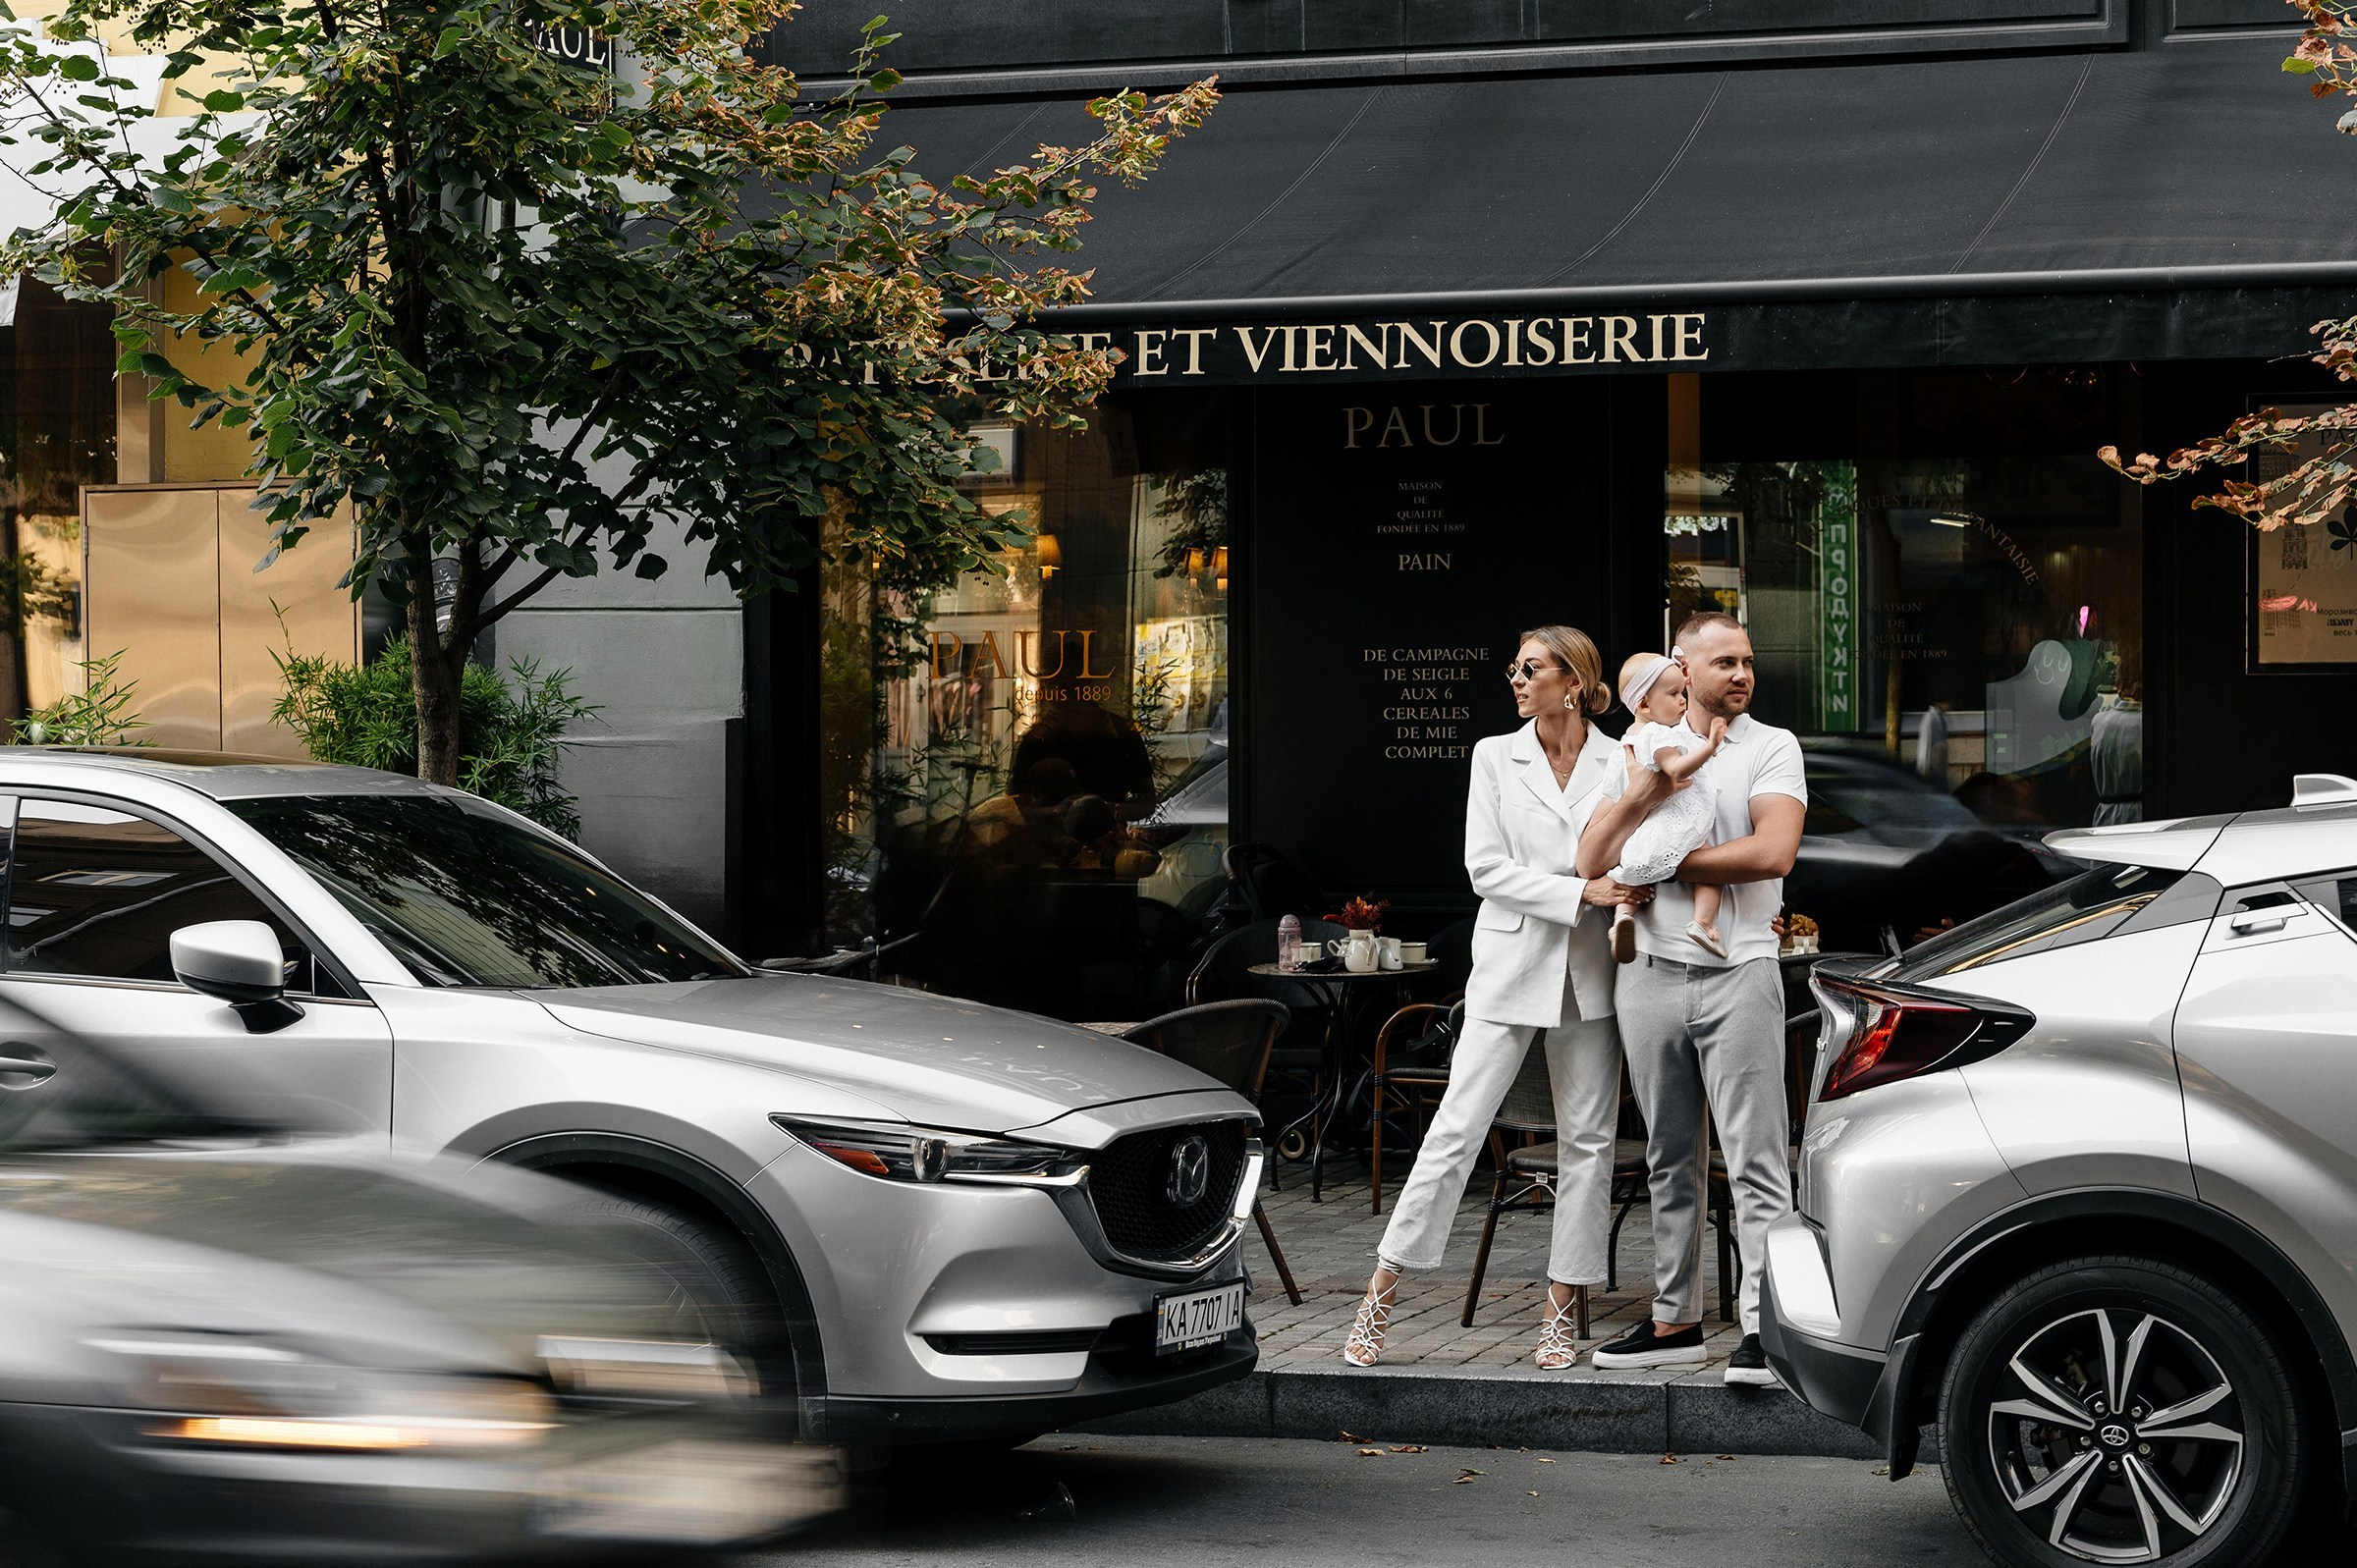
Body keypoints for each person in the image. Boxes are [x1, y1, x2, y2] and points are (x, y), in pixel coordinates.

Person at [1342, 625, 1652, 1372]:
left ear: (1572, 681)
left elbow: (1638, 847)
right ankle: (1378, 1296)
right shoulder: (1493, 754)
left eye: (1531, 668)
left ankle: (1559, 1312)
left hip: (1590, 974)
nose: (1515, 679)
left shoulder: (1621, 759)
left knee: (1588, 1145)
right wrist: (1581, 888)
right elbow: (1484, 868)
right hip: (1511, 966)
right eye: (1515, 668)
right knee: (1456, 1128)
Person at [1575, 612, 1805, 1387]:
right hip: (1646, 974)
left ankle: (1766, 1328)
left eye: (1749, 661)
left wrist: (1662, 861)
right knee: (1670, 1156)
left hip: (1738, 968)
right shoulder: (1635, 748)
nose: (1742, 674)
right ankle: (1675, 1320)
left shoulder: (1770, 747)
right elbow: (1589, 856)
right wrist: (1641, 800)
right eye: (1726, 662)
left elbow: (1773, 850)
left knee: (1756, 1161)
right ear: (1682, 665)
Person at [1596, 652, 1729, 961]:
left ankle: (1623, 919)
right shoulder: (1656, 734)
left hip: (1640, 832)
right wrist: (1709, 747)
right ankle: (1703, 923)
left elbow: (1614, 792)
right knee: (1713, 866)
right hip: (1673, 823)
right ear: (1644, 704)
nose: (1683, 701)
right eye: (1674, 694)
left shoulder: (1624, 744)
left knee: (1630, 879)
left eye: (1683, 693)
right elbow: (1677, 770)